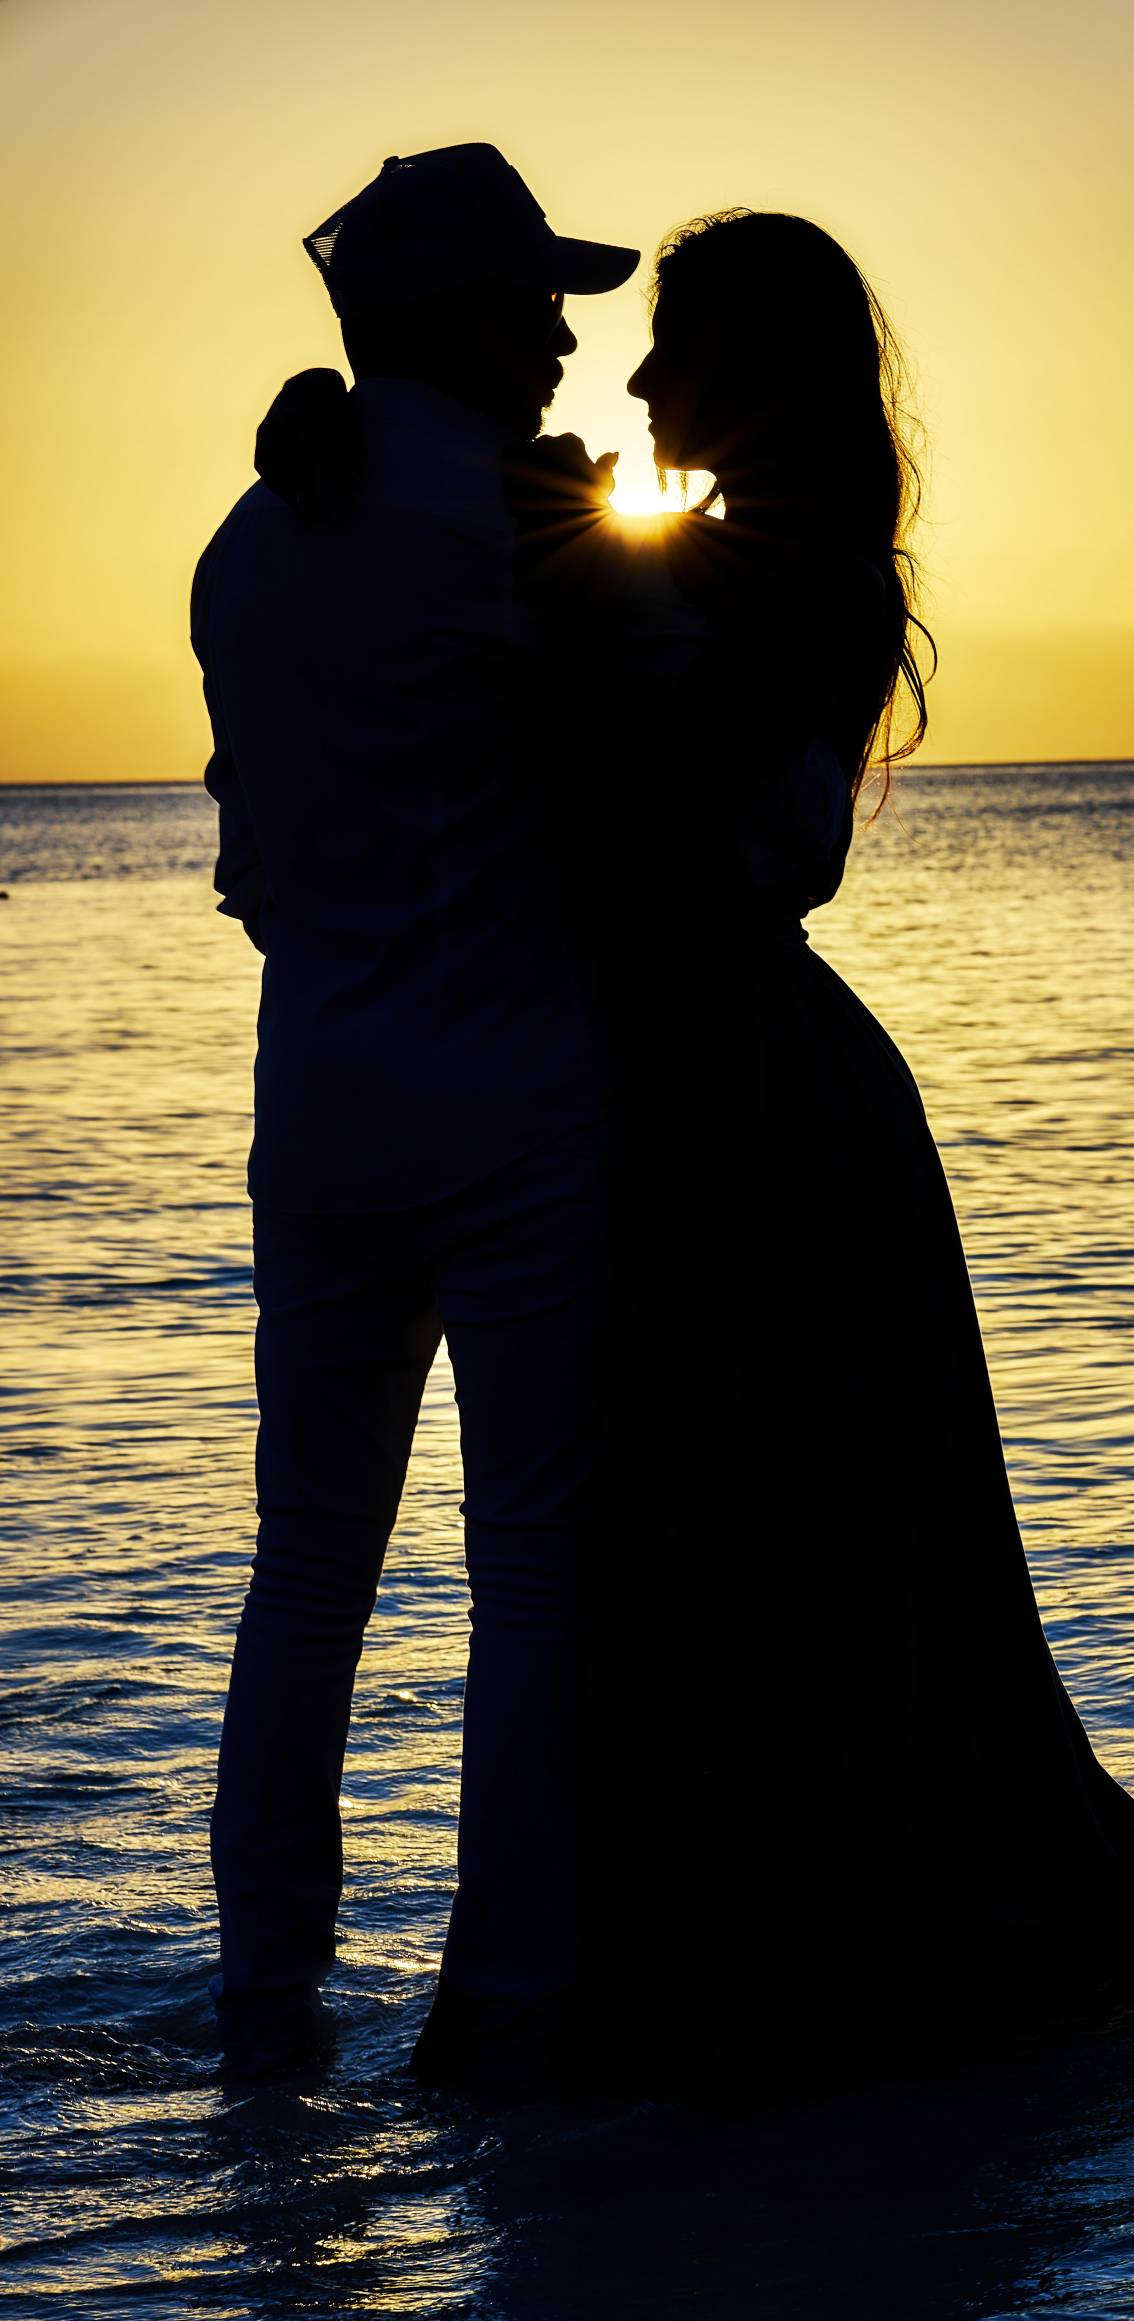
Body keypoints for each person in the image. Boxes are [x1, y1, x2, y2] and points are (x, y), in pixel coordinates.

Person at [433, 212, 1134, 2087]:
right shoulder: (696, 563)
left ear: (756, 372)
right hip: (705, 1083)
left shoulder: (787, 586)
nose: (641, 380)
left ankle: (781, 1974)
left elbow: (728, 810)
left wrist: (550, 545)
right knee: (738, 1532)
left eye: (676, 347)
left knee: (791, 1533)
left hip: (758, 1104)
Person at [191, 145, 642, 2080]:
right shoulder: (520, 527)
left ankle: (265, 1995)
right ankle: (514, 1995)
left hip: (322, 1097)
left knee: (308, 1567)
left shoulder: (245, 546)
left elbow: (254, 872)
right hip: (517, 1099)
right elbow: (655, 792)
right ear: (460, 318)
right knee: (528, 1563)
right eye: (538, 303)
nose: (562, 340)